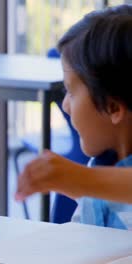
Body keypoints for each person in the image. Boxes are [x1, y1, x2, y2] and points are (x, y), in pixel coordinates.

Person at [16, 4, 132, 229]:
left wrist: (81, 181)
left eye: (70, 91)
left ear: (113, 108)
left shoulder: (94, 177)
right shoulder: (101, 164)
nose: (66, 106)